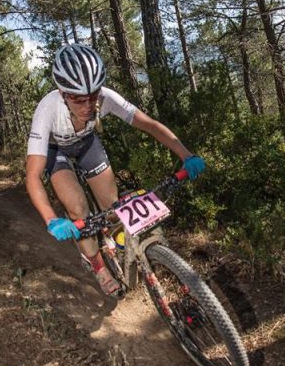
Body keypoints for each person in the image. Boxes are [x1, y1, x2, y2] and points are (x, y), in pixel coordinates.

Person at [25, 43, 205, 296]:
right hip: (58, 153)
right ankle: (98, 267)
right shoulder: (47, 109)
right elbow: (32, 175)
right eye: (78, 98)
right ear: (63, 93)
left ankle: (115, 238)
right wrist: (50, 218)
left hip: (87, 144)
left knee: (113, 206)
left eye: (93, 95)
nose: (88, 105)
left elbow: (150, 125)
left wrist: (187, 155)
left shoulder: (106, 98)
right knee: (78, 210)